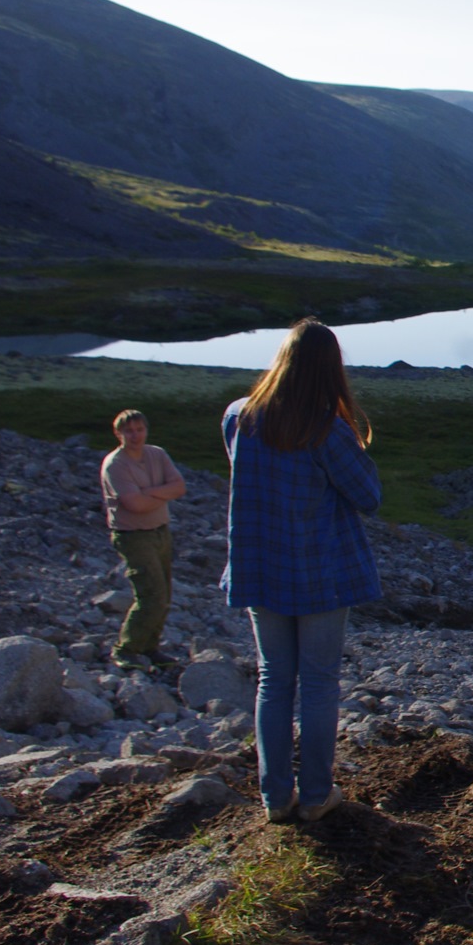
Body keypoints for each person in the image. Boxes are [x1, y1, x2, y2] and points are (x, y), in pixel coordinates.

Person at [223, 319, 381, 826]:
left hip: (260, 569)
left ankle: (275, 798)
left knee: (274, 680)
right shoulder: (328, 430)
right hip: (319, 574)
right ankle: (315, 795)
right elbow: (368, 497)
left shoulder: (238, 419)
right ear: (328, 369)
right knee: (317, 683)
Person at [99, 409, 187, 667]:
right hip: (133, 535)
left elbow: (180, 486)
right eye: (129, 431)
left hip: (160, 530)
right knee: (151, 593)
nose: (135, 435)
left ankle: (150, 646)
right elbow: (133, 504)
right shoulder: (115, 464)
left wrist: (147, 492)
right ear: (118, 433)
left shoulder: (156, 454)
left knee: (165, 593)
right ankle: (126, 649)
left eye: (139, 429)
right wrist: (161, 493)